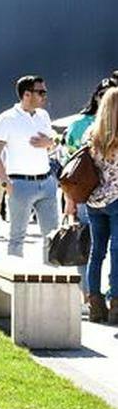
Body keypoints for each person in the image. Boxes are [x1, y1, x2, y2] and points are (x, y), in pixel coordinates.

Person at [0, 75, 59, 260]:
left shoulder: (43, 115)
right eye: (41, 92)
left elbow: (53, 141)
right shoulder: (6, 118)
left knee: (52, 237)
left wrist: (50, 142)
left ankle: (49, 282)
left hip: (46, 182)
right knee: (17, 238)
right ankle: (15, 285)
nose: (45, 96)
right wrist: (5, 183)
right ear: (27, 94)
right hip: (20, 184)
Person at [85, 86, 118, 324]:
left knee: (97, 253)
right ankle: (116, 303)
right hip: (117, 198)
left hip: (94, 200)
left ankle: (95, 305)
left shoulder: (91, 133)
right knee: (117, 253)